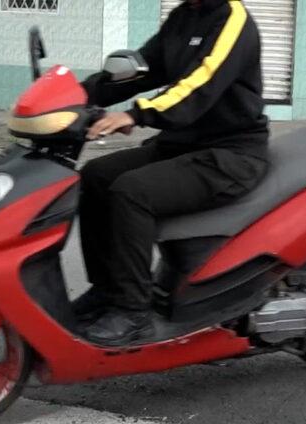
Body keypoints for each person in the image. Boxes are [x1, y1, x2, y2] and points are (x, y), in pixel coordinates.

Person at [77, 0, 271, 346]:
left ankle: (132, 312)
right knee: (96, 176)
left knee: (132, 192)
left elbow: (201, 83)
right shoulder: (183, 17)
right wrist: (78, 94)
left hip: (229, 153)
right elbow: (143, 69)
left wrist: (137, 115)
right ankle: (107, 290)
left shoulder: (232, 19)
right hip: (183, 144)